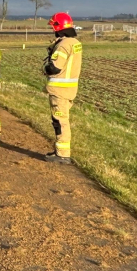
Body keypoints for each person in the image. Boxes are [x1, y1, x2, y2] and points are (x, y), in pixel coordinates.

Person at [43, 12, 83, 164]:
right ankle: (61, 151)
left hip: (59, 90)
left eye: (53, 26)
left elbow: (55, 67)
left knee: (60, 121)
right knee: (63, 119)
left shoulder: (63, 45)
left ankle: (62, 154)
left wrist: (46, 69)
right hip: (70, 89)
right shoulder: (75, 43)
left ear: (58, 27)